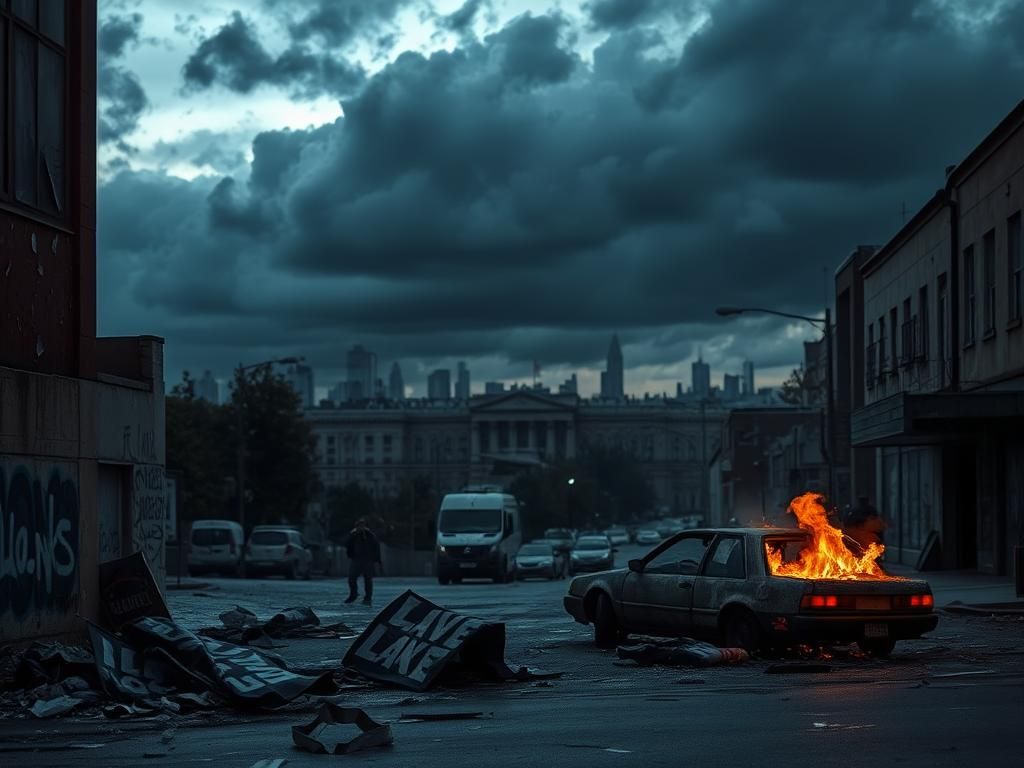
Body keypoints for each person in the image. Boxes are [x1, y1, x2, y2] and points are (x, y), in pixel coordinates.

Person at [344, 518, 381, 606]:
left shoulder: (370, 535)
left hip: (367, 560)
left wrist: (376, 559)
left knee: (368, 579)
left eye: (362, 525)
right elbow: (348, 544)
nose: (360, 527)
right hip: (356, 559)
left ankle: (368, 597)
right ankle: (353, 594)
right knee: (351, 578)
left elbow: (376, 546)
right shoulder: (353, 534)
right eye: (359, 526)